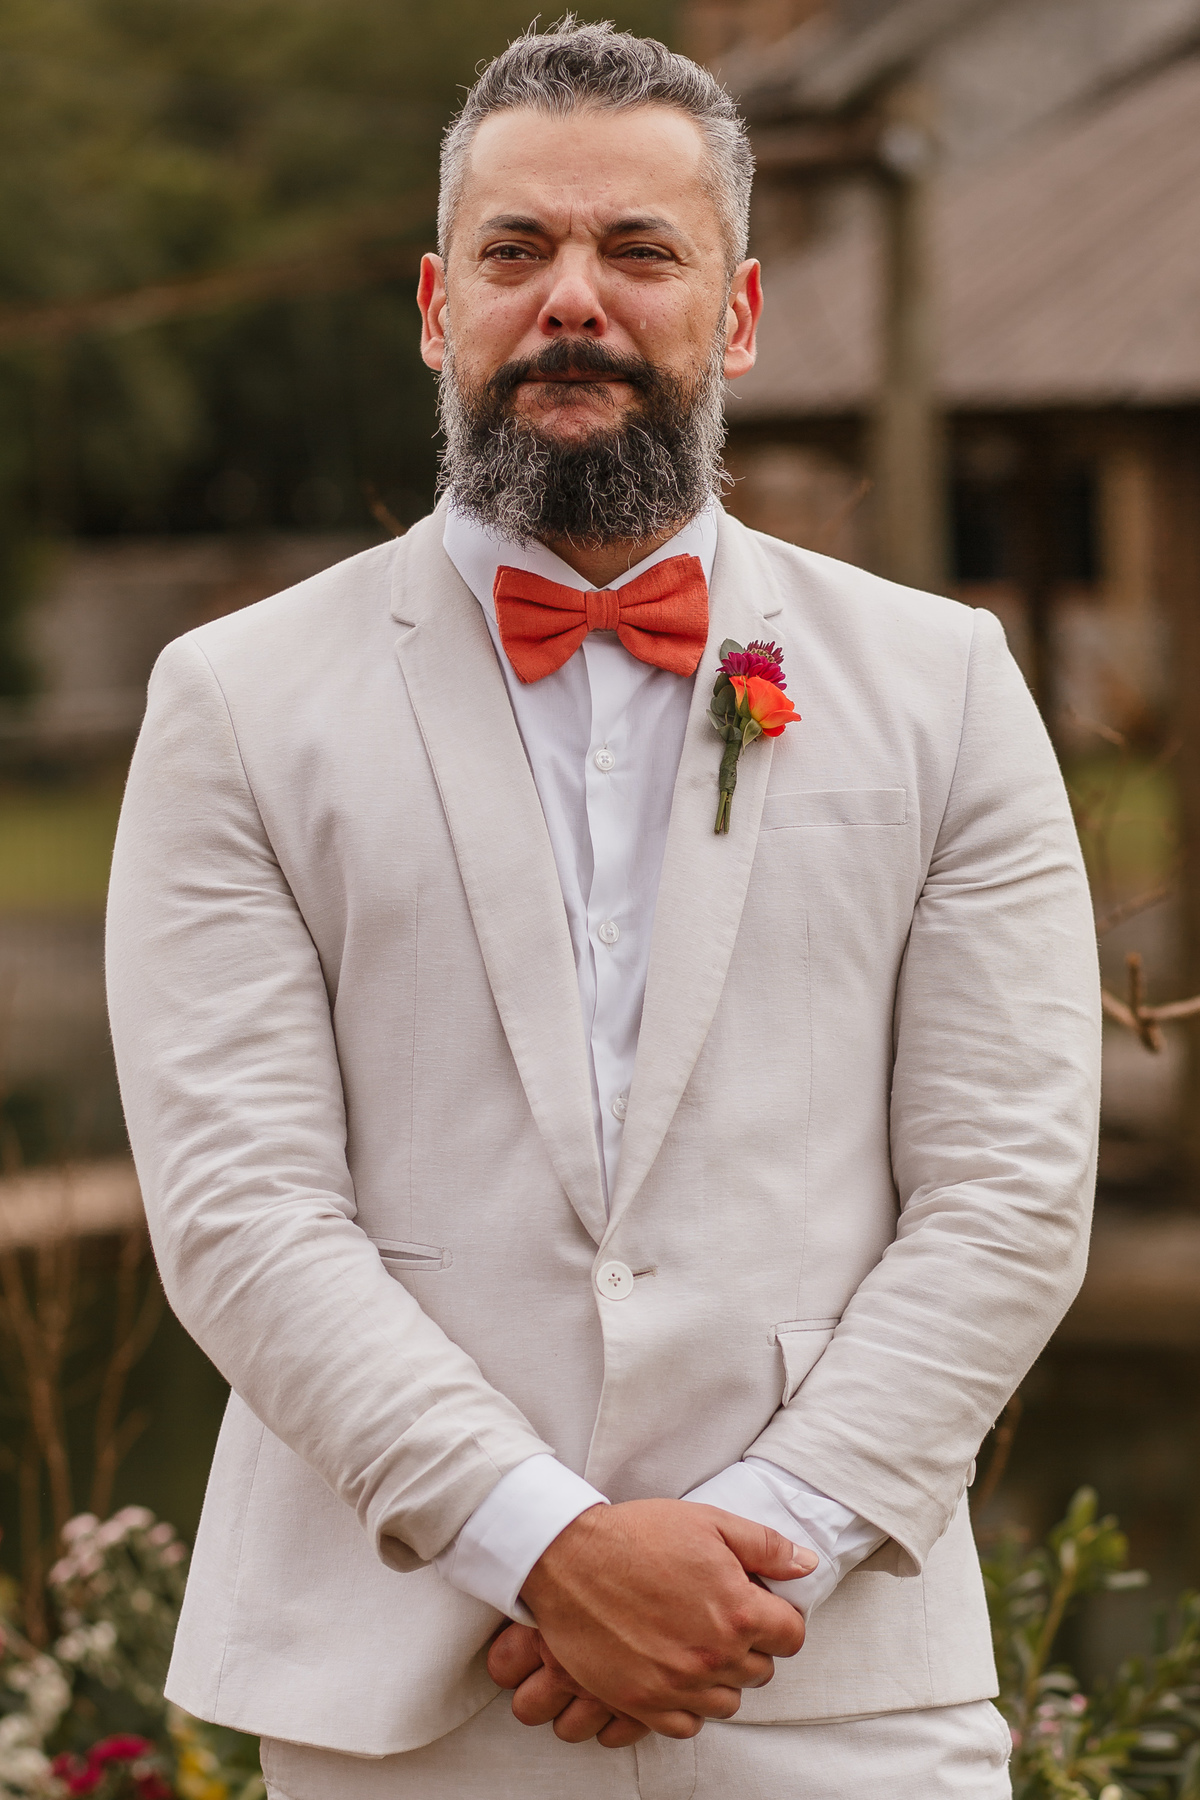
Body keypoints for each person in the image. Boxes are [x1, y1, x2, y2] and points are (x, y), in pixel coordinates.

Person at [105, 18, 1101, 1800]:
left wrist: (753, 1547)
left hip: (835, 1673)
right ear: (435, 305)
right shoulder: (234, 702)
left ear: (736, 312)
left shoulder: (945, 681)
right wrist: (543, 1544)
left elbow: (1010, 1191)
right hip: (404, 1692)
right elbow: (242, 1210)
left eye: (639, 251)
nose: (575, 298)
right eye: (517, 251)